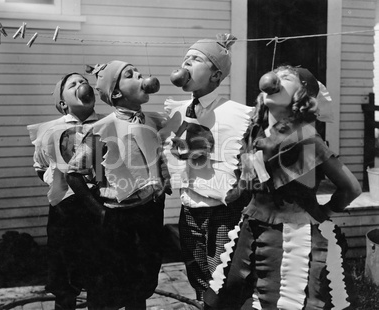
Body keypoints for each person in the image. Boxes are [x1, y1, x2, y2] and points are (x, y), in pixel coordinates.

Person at [203, 65, 362, 310]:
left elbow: (351, 188)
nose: (273, 81)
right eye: (275, 76)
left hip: (292, 238)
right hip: (252, 228)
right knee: (233, 296)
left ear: (302, 96)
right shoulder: (255, 134)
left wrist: (323, 214)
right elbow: (248, 181)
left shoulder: (306, 139)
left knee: (284, 301)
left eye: (286, 78)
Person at [66, 60, 171, 310]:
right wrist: (99, 211)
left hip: (148, 214)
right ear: (115, 93)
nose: (141, 77)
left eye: (140, 73)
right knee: (107, 288)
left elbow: (157, 157)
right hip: (116, 218)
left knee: (141, 283)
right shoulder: (104, 128)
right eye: (130, 75)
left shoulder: (151, 121)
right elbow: (74, 173)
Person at [160, 33, 255, 302]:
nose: (186, 64)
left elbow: (251, 157)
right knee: (197, 272)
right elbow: (169, 151)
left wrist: (243, 187)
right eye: (185, 58)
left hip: (222, 211)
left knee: (223, 276)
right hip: (189, 208)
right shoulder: (177, 111)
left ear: (215, 75)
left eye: (196, 59)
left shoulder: (237, 114)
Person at [27, 73, 103, 310]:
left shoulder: (106, 125)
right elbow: (40, 167)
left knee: (99, 276)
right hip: (65, 213)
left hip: (98, 207)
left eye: (83, 81)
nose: (82, 85)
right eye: (73, 85)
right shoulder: (50, 131)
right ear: (62, 104)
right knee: (64, 279)